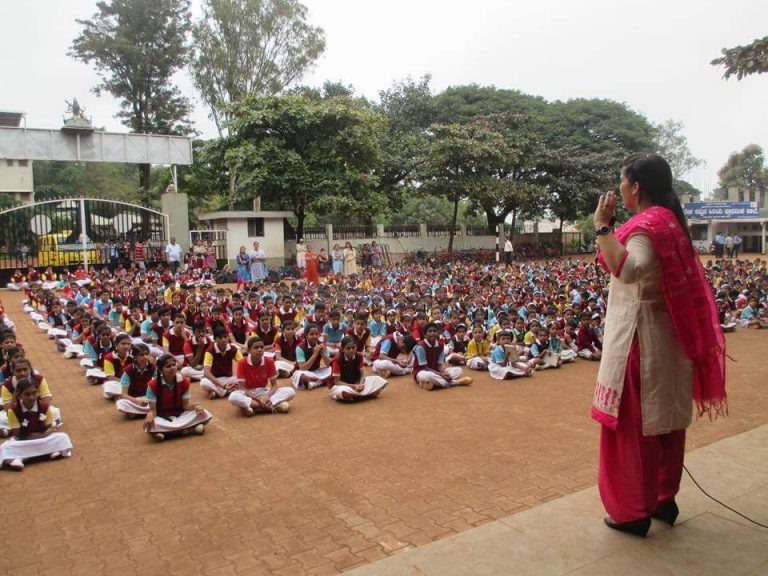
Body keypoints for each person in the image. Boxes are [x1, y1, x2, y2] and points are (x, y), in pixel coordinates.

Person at [592, 153, 726, 537]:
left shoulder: (646, 226)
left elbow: (630, 269)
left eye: (622, 181)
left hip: (642, 342)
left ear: (636, 187)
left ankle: (632, 511)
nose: (618, 188)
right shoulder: (671, 223)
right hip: (672, 340)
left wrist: (603, 228)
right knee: (665, 423)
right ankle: (663, 499)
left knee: (633, 429)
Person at [0, 377, 73, 470]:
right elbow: (18, 434)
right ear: (19, 396)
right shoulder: (13, 410)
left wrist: (49, 431)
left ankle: (21, 457)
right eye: (27, 394)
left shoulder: (44, 406)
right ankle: (47, 452)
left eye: (34, 393)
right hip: (23, 441)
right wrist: (43, 434)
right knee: (5, 447)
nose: (31, 397)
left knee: (63, 437)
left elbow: (49, 428)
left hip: (42, 439)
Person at [229, 337, 295, 416]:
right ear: (249, 350)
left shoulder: (269, 361)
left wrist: (266, 396)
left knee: (290, 391)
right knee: (233, 397)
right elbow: (242, 388)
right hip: (248, 393)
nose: (259, 350)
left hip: (263, 392)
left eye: (261, 347)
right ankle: (271, 405)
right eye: (256, 347)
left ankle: (252, 406)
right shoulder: (242, 362)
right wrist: (258, 399)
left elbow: (274, 385)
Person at [411, 323, 473, 390]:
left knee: (459, 370)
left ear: (438, 333)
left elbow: (439, 365)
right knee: (427, 376)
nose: (433, 333)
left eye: (435, 331)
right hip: (422, 372)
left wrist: (443, 372)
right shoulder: (421, 347)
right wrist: (441, 375)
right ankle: (456, 382)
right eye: (430, 331)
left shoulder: (441, 346)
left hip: (436, 371)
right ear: (425, 335)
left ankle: (432, 384)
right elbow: (424, 367)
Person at [329, 337, 388, 402]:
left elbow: (362, 374)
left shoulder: (359, 356)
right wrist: (353, 386)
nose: (351, 350)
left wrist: (360, 384)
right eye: (348, 348)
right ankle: (365, 394)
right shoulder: (337, 359)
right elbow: (337, 382)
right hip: (342, 385)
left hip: (356, 383)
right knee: (346, 394)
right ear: (342, 349)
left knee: (379, 380)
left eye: (353, 347)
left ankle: (357, 396)